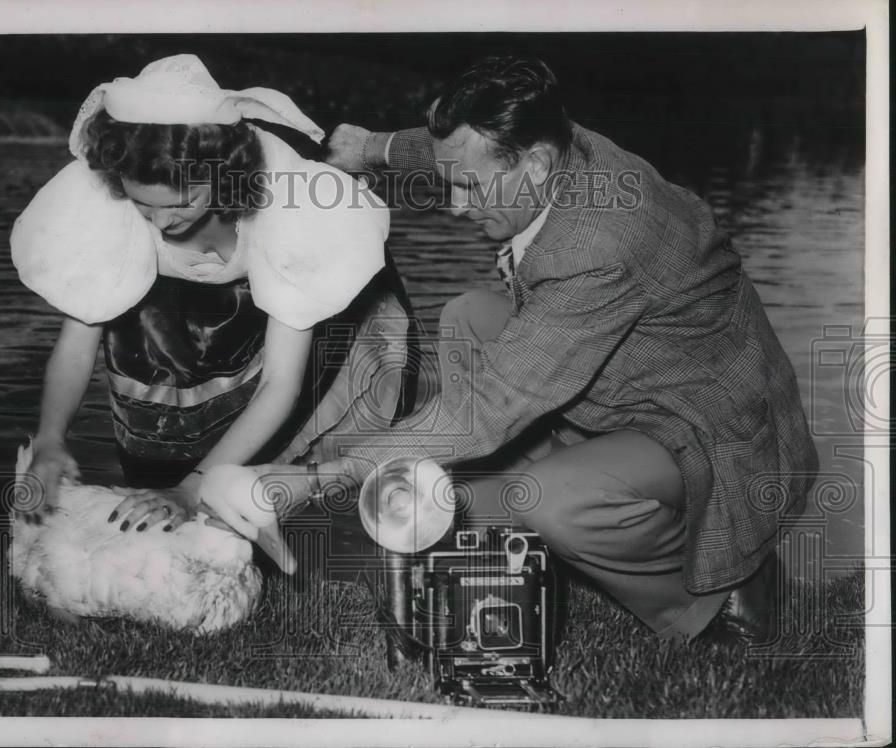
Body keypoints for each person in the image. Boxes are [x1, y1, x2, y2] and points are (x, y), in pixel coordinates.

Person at [212, 56, 819, 641]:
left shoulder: (596, 245)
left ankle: (713, 601)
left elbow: (493, 402)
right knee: (469, 316)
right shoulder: (543, 142)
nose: (453, 205)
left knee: (552, 503)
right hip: (647, 373)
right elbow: (453, 150)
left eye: (469, 189)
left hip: (713, 422)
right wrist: (370, 146)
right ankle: (527, 485)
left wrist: (319, 477)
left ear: (533, 165)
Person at [12, 55, 418, 565]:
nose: (162, 222)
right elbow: (76, 342)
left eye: (182, 202)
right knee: (170, 525)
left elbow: (281, 384)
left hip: (304, 323)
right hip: (178, 332)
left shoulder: (288, 208)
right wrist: (50, 438)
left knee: (284, 504)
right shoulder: (112, 195)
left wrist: (195, 488)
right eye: (144, 207)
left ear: (222, 175)